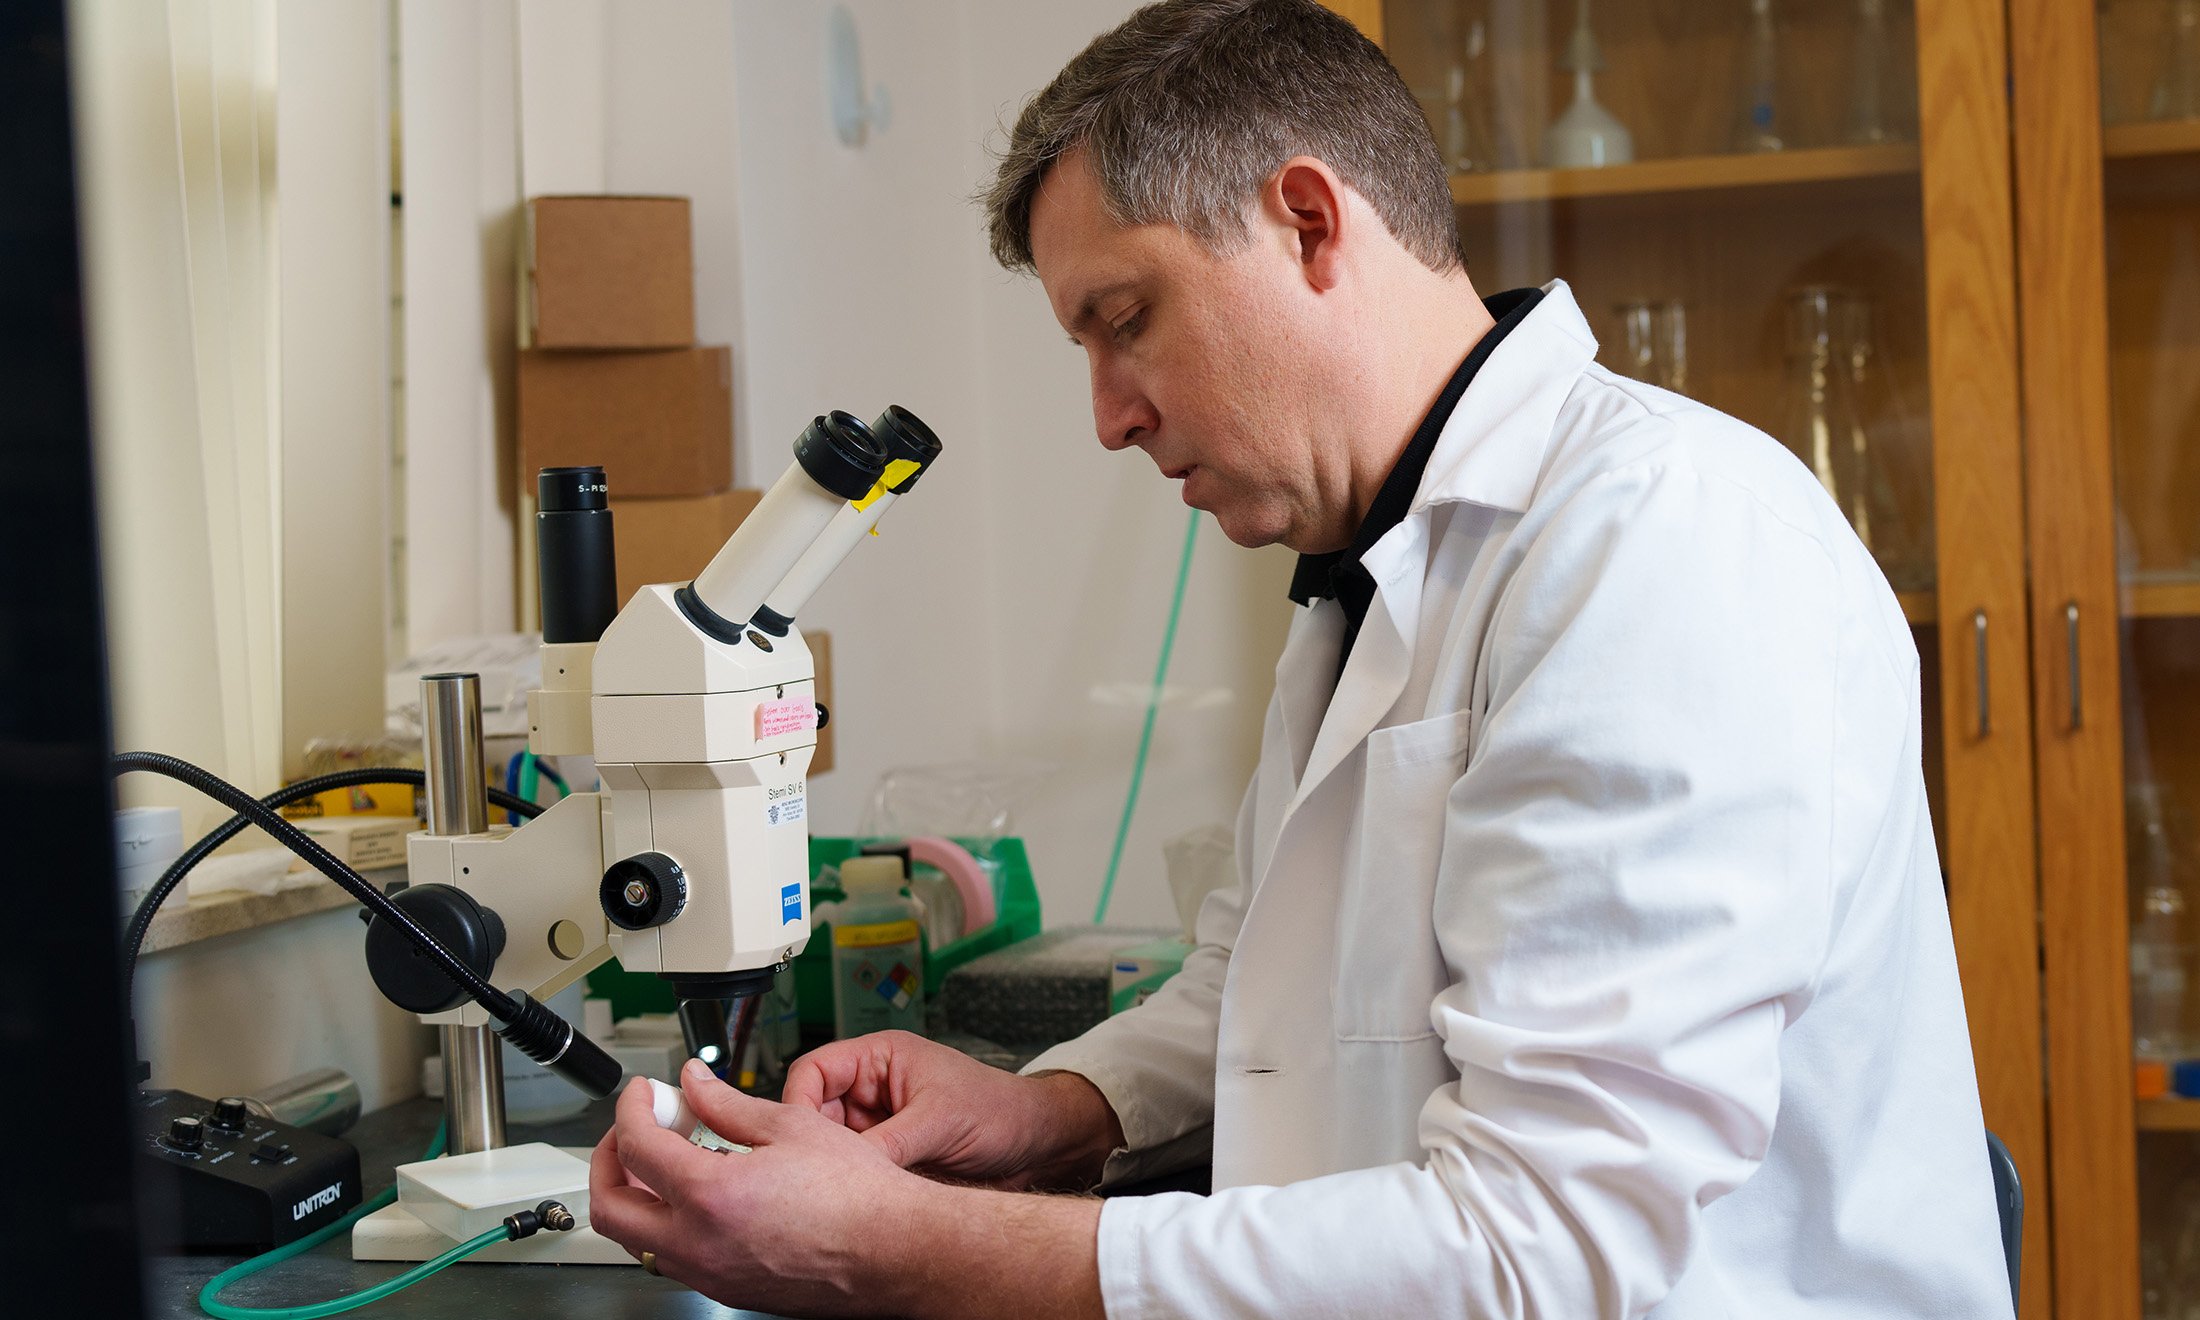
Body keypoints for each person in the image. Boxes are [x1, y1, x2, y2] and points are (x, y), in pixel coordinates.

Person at [588, 1, 2013, 1315]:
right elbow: (1261, 997)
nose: (1109, 418)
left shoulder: (1659, 546)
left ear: (1310, 220)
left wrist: (897, 1245)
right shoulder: (1366, 578)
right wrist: (1047, 1106)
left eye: (1126, 321)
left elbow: (1546, 1249)